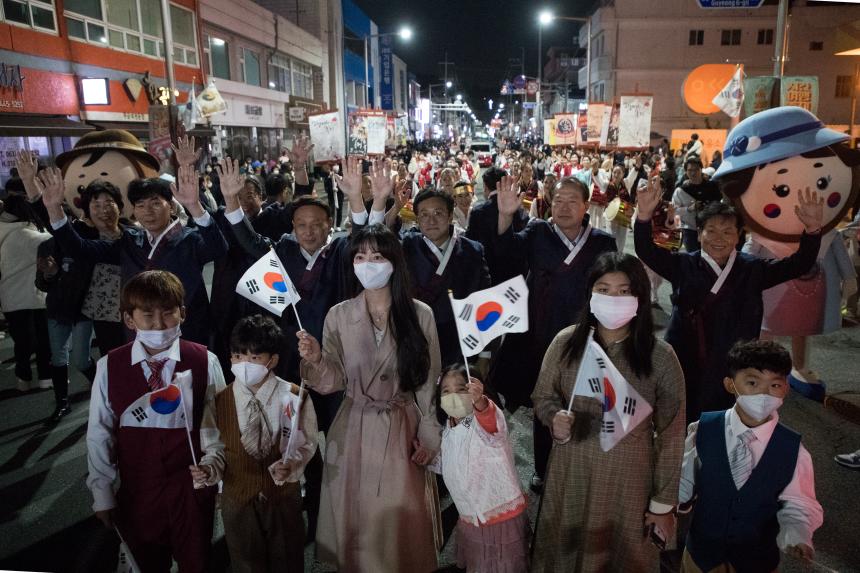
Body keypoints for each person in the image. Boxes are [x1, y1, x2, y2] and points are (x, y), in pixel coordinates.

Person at [296, 224, 442, 573]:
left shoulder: (420, 313)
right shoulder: (339, 315)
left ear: (394, 262)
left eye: (377, 256)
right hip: (355, 426)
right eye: (360, 256)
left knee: (396, 515)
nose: (367, 263)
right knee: (357, 517)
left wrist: (429, 433)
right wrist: (317, 360)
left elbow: (428, 381)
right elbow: (333, 382)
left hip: (402, 424)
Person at [531, 252, 686, 573]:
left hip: (628, 477)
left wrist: (662, 504)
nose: (613, 298)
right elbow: (543, 396)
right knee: (565, 551)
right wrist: (554, 417)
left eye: (624, 291)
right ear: (589, 295)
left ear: (640, 298)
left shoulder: (661, 356)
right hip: (571, 469)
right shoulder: (565, 343)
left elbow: (672, 432)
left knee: (621, 556)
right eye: (603, 290)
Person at [635, 177, 824, 423]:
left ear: (738, 237)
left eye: (727, 232)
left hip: (735, 363)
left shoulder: (753, 269)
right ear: (699, 234)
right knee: (681, 418)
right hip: (686, 359)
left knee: (727, 424)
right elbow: (645, 250)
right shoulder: (683, 264)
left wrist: (812, 231)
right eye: (710, 231)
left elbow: (799, 264)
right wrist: (643, 215)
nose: (718, 238)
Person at [86, 270, 225, 573]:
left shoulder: (205, 360)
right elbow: (100, 433)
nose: (160, 324)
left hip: (191, 488)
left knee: (197, 561)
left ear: (183, 313)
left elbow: (218, 426)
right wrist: (102, 493)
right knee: (145, 561)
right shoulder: (110, 365)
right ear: (129, 320)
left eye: (169, 313)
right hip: (138, 490)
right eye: (147, 315)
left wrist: (216, 473)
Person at [492, 174, 617, 491]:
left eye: (572, 200)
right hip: (540, 335)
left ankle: (580, 468)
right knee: (545, 401)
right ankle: (544, 467)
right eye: (558, 200)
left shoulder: (602, 242)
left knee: (585, 401)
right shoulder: (537, 232)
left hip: (586, 335)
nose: (564, 207)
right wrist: (505, 217)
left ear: (586, 205)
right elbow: (505, 257)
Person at [36, 165, 228, 346]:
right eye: (140, 205)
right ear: (134, 211)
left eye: (155, 203)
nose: (148, 212)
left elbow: (218, 249)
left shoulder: (188, 239)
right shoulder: (129, 241)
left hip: (187, 330)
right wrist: (54, 209)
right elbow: (80, 248)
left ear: (170, 206)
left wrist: (194, 206)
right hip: (140, 333)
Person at [680, 340, 823, 572]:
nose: (763, 393)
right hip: (701, 557)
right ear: (730, 384)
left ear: (786, 389)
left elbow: (800, 503)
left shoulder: (794, 450)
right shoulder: (703, 430)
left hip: (757, 562)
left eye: (775, 385)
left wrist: (797, 535)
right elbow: (684, 480)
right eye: (752, 382)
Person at [197, 314, 318, 573]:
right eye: (238, 357)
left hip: (283, 499)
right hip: (237, 500)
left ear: (272, 360)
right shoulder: (218, 401)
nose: (244, 364)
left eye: (254, 358)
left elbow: (306, 444)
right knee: (245, 563)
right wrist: (208, 470)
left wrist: (293, 465)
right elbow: (214, 449)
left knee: (288, 559)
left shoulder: (295, 397)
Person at [435, 364, 529, 573]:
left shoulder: (484, 422)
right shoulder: (449, 428)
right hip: (470, 514)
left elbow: (491, 419)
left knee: (502, 564)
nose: (453, 396)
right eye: (446, 391)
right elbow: (451, 464)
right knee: (480, 563)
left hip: (497, 512)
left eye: (461, 389)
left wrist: (481, 403)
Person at [402, 188, 491, 368]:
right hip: (417, 340)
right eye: (424, 215)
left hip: (461, 341)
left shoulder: (472, 251)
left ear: (450, 215)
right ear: (417, 219)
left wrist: (485, 355)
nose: (431, 220)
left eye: (438, 213)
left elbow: (485, 302)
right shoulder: (406, 247)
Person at [0, 193, 51, 392]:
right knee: (43, 339)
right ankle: (46, 378)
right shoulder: (37, 233)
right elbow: (54, 241)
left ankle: (23, 378)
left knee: (22, 341)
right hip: (37, 293)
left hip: (10, 295)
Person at [466, 166, 529, 285]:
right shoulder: (520, 210)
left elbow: (470, 246)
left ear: (485, 186)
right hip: (515, 279)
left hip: (488, 277)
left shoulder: (478, 212)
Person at [672, 157, 722, 253]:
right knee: (693, 256)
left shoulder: (712, 187)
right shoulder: (681, 190)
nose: (693, 173)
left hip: (709, 228)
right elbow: (674, 211)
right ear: (686, 171)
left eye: (696, 169)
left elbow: (719, 205)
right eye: (690, 170)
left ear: (701, 169)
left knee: (709, 256)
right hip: (689, 230)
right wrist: (689, 208)